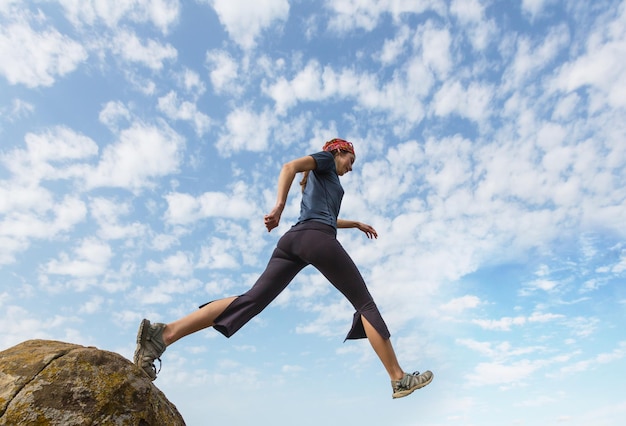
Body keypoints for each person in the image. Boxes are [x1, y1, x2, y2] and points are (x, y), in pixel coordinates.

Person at [133, 138, 433, 399]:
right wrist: (278, 206)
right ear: (338, 151)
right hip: (315, 238)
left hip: (294, 240)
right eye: (350, 160)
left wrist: (353, 223)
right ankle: (398, 377)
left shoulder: (325, 180)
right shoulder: (325, 159)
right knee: (364, 303)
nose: (351, 167)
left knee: (251, 300)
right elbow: (289, 166)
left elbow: (324, 216)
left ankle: (164, 334)